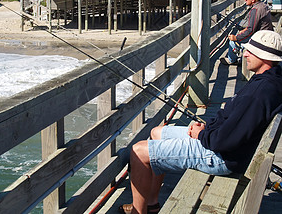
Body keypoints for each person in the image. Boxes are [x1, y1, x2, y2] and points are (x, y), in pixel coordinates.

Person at [119, 30, 282, 214]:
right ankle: (151, 203)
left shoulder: (259, 93)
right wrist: (207, 127)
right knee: (157, 132)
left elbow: (226, 139)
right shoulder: (268, 81)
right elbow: (233, 123)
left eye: (250, 52)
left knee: (138, 151)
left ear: (264, 57)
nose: (244, 54)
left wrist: (202, 134)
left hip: (222, 157)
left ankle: (137, 212)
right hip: (222, 144)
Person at [220, 0, 273, 65]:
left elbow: (251, 30)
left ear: (253, 0)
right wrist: (244, 30)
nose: (245, 0)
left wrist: (236, 38)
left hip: (260, 37)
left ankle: (232, 60)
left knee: (233, 41)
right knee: (241, 36)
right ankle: (242, 58)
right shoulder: (263, 5)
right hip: (266, 34)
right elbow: (256, 25)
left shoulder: (255, 10)